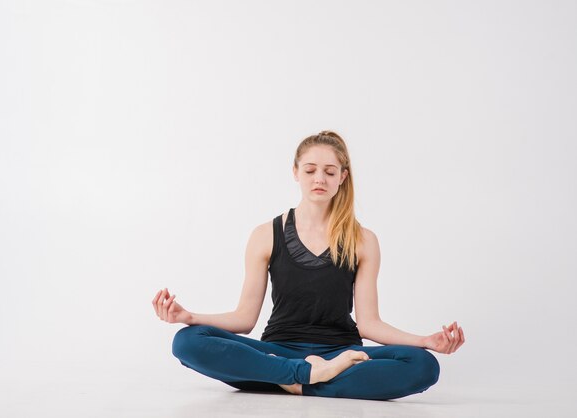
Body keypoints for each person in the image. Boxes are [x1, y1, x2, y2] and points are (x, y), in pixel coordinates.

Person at [151, 131, 465, 400]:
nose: (319, 178)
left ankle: (291, 383)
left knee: (423, 365)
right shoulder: (265, 235)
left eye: (330, 171)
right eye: (311, 169)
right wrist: (188, 316)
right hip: (277, 353)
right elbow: (244, 319)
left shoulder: (363, 240)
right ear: (295, 172)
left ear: (343, 176)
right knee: (187, 340)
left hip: (342, 354)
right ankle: (303, 375)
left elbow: (369, 324)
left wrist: (425, 341)